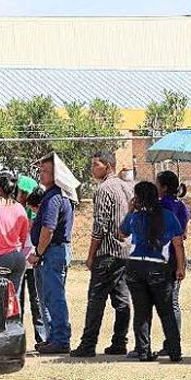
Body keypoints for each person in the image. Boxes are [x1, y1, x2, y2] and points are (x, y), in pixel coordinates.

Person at [71, 151, 134, 358]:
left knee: (96, 299)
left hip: (107, 252)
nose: (92, 169)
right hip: (124, 251)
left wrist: (90, 255)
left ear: (107, 166)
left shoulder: (104, 189)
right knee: (122, 299)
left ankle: (88, 344)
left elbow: (100, 225)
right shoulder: (126, 187)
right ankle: (119, 342)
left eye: (95, 164)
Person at [119, 181, 186, 362]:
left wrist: (130, 209)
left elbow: (121, 234)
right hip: (158, 267)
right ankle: (174, 352)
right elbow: (178, 244)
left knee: (142, 312)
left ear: (137, 198)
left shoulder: (135, 217)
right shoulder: (168, 216)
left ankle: (143, 351)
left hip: (135, 267)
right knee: (166, 312)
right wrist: (181, 267)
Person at [28, 155, 75, 355]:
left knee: (54, 297)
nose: (41, 174)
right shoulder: (57, 195)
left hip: (53, 251)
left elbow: (48, 229)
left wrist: (38, 252)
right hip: (56, 251)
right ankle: (54, 338)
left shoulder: (54, 198)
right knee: (51, 297)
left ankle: (60, 340)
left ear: (57, 175)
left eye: (46, 171)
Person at [155, 170, 189, 357]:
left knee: (166, 303)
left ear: (164, 187)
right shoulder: (181, 206)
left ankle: (171, 343)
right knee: (172, 302)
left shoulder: (162, 206)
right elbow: (183, 234)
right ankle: (172, 342)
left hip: (165, 257)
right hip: (177, 257)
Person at [16, 175, 46, 346]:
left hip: (34, 261)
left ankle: (41, 338)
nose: (22, 196)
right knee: (17, 300)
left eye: (25, 192)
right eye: (20, 192)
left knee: (37, 301)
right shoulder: (13, 210)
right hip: (18, 261)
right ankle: (17, 339)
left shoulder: (39, 212)